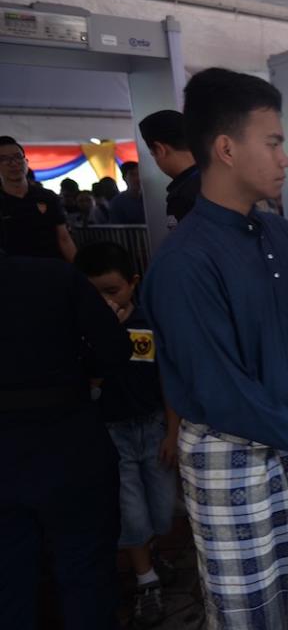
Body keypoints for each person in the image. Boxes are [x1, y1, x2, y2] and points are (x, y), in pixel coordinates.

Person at [142, 67, 288, 630]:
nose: (286, 158)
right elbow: (216, 386)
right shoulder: (183, 260)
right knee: (257, 609)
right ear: (226, 148)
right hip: (233, 455)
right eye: (275, 142)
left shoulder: (281, 236)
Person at [0, 249, 132, 629]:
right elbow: (115, 351)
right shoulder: (55, 276)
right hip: (66, 441)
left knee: (9, 581)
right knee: (85, 570)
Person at [75, 242, 180, 629]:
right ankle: (145, 578)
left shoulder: (150, 324)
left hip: (153, 427)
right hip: (111, 434)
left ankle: (150, 555)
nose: (105, 301)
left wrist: (172, 431)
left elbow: (169, 379)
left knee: (162, 508)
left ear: (133, 284)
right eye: (94, 293)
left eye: (112, 291)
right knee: (131, 512)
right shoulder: (81, 331)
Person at [0, 136, 77, 261]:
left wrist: (78, 271)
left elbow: (64, 238)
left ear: (26, 162)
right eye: (4, 159)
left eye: (17, 157)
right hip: (12, 273)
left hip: (52, 267)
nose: (13, 163)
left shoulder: (47, 197)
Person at [138, 109, 201, 229]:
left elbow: (185, 246)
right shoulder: (219, 176)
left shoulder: (182, 197)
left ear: (160, 149)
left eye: (153, 154)